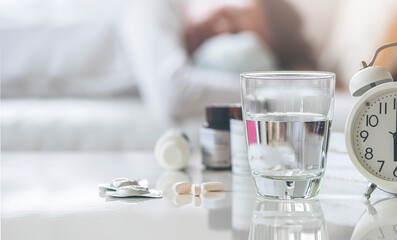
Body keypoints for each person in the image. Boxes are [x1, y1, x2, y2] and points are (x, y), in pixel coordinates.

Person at [122, 0, 315, 121]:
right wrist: (270, 91)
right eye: (229, 13)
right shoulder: (155, 5)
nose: (219, 28)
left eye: (234, 35)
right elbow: (172, 93)